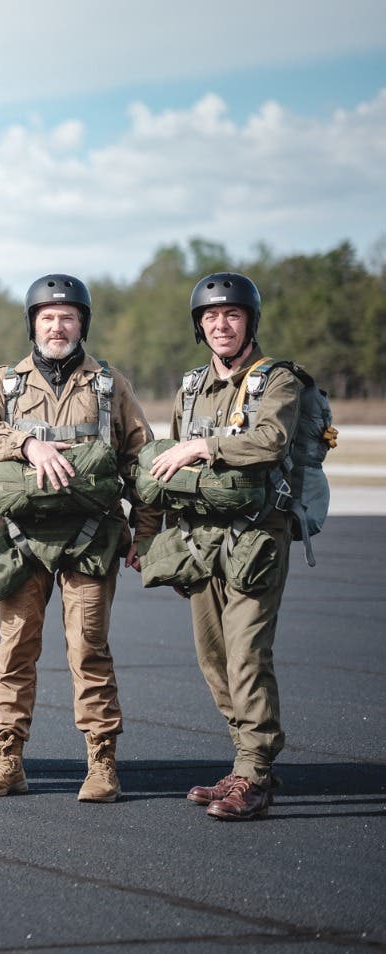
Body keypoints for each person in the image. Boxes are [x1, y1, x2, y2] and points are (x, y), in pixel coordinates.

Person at [0, 273, 159, 801]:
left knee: (88, 649)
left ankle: (101, 761)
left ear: (82, 324)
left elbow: (142, 459)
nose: (57, 326)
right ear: (33, 325)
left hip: (91, 541)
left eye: (67, 317)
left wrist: (147, 530)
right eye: (47, 317)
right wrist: (26, 444)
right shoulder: (4, 383)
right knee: (15, 649)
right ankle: (7, 759)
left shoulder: (111, 386)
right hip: (21, 541)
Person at [146, 273, 299, 820]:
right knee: (213, 659)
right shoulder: (191, 387)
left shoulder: (277, 380)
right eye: (210, 317)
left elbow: (270, 441)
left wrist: (202, 445)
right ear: (199, 326)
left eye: (232, 315)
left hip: (257, 538)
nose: (221, 324)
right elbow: (168, 462)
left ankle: (254, 774)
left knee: (247, 653)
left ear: (250, 321)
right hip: (200, 538)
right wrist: (153, 533)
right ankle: (246, 762)